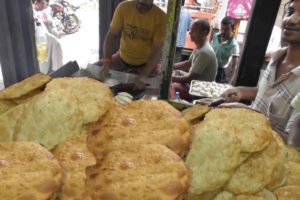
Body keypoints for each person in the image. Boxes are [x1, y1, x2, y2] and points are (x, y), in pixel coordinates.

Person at [221, 0, 300, 147]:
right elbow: (268, 92)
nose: (292, 19)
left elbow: (293, 145)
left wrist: (250, 115)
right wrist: (241, 92)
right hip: (244, 143)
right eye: (289, 12)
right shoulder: (276, 58)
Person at [99, 0, 167, 90]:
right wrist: (106, 62)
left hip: (146, 64)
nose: (141, 1)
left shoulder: (161, 17)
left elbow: (157, 49)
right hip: (121, 58)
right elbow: (111, 35)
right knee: (95, 75)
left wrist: (145, 75)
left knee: (158, 91)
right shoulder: (123, 8)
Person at [170, 19, 217, 101]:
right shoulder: (199, 47)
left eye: (193, 30)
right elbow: (188, 63)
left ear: (205, 32)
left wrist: (171, 78)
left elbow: (190, 78)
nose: (190, 33)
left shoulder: (204, 52)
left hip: (199, 91)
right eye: (190, 30)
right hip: (193, 83)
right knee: (175, 73)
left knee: (171, 86)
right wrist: (169, 67)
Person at [32, 0, 63, 74]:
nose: (45, 5)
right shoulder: (31, 14)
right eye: (43, 3)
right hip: (41, 42)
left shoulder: (37, 13)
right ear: (36, 2)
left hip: (45, 40)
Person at [211, 16, 240, 84]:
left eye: (227, 29)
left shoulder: (234, 45)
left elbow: (234, 67)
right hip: (209, 68)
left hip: (220, 73)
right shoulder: (215, 36)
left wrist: (229, 84)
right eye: (222, 28)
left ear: (233, 29)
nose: (223, 31)